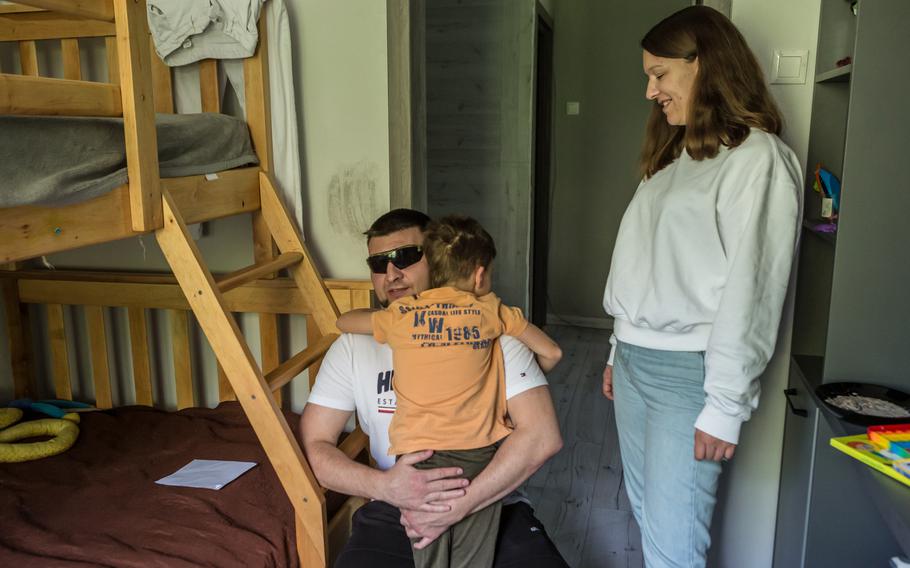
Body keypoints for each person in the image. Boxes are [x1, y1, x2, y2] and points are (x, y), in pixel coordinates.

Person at [600, 6, 802, 567]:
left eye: (660, 74)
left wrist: (724, 407)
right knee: (650, 523)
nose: (650, 90)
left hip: (689, 374)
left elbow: (753, 294)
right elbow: (646, 265)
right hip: (638, 363)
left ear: (705, 65)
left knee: (674, 545)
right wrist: (620, 347)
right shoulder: (672, 157)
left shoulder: (758, 160)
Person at [301, 209, 568, 568]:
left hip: (491, 495)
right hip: (393, 503)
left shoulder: (491, 332)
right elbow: (316, 446)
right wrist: (385, 487)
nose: (392, 274)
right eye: (379, 264)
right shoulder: (352, 346)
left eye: (406, 257)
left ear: (438, 261)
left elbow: (542, 436)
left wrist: (461, 503)